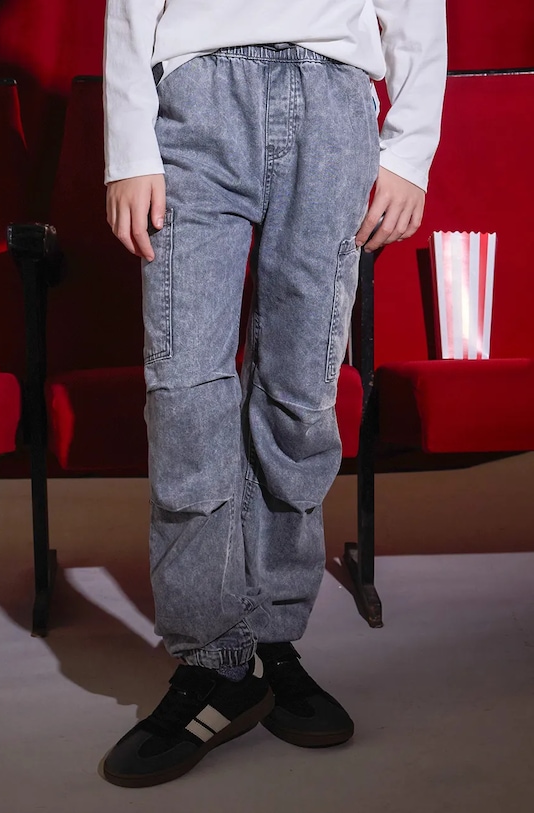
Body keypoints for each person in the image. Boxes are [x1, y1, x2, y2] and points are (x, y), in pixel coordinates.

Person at [102, 0, 447, 788]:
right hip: (196, 100)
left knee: (300, 389)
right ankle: (214, 657)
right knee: (185, 390)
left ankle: (270, 635)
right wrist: (128, 148)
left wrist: (410, 149)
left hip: (333, 100)